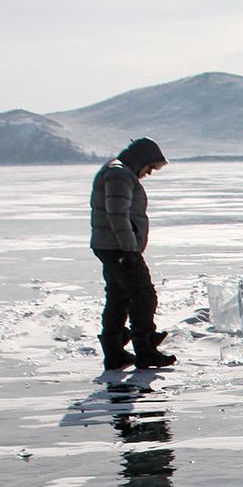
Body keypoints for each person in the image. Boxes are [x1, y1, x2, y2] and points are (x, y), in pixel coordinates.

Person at [90, 137, 177, 371]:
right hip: (119, 248)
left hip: (111, 246)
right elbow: (117, 214)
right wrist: (130, 249)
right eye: (150, 167)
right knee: (143, 296)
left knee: (119, 297)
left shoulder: (118, 171)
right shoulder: (119, 174)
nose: (149, 173)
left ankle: (115, 351)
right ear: (142, 160)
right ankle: (145, 350)